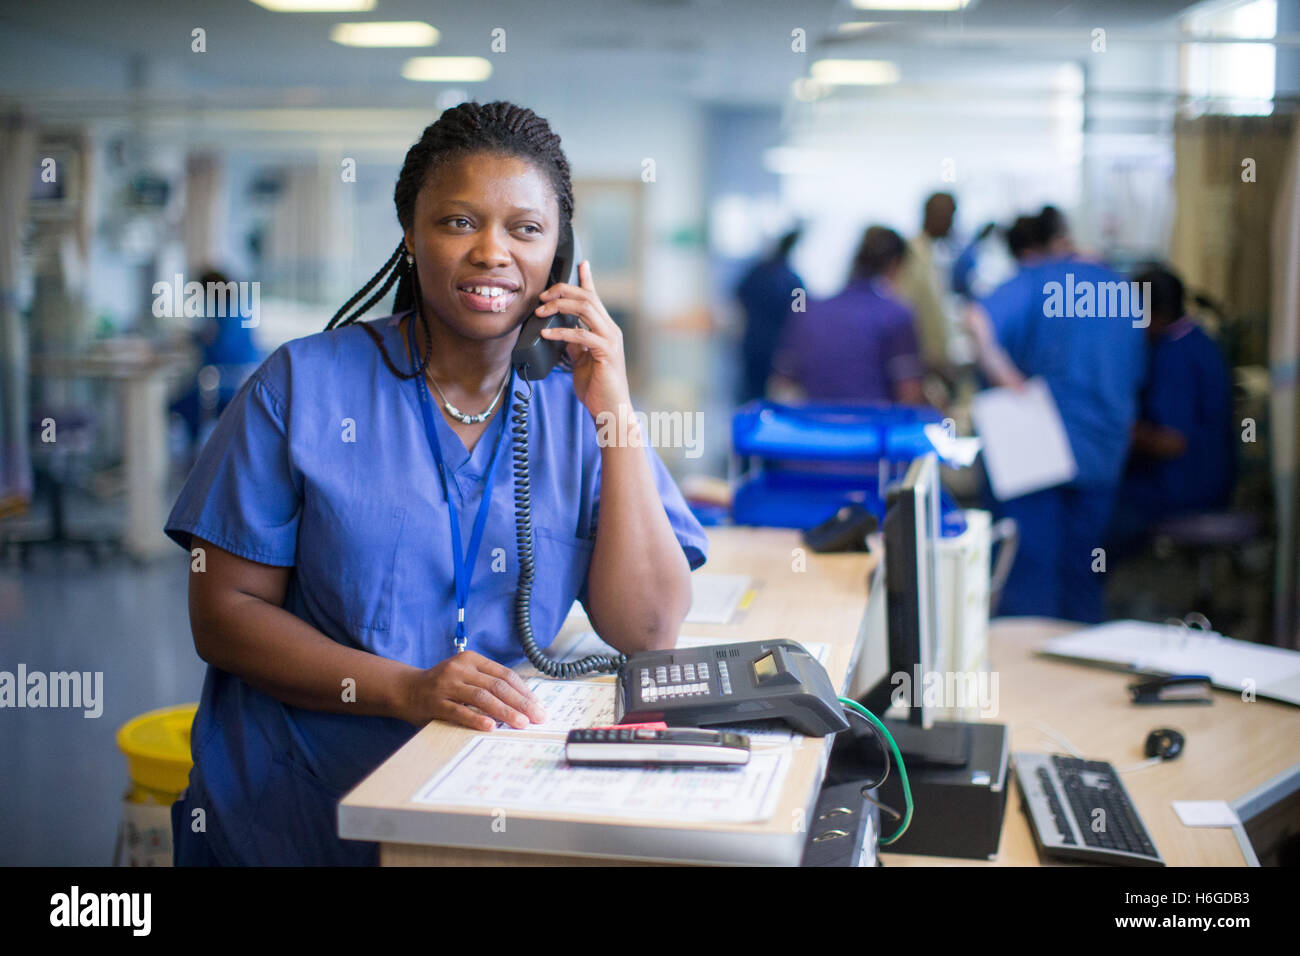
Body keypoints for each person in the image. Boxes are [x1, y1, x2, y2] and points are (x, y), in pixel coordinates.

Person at [163, 101, 709, 866]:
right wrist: (404, 689)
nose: (493, 251)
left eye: (525, 229)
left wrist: (613, 407)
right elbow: (223, 614)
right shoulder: (303, 388)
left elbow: (646, 630)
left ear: (558, 256)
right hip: (295, 814)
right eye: (458, 221)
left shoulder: (576, 409)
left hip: (482, 805)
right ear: (411, 237)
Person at [965, 211, 1147, 623]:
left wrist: (1011, 383)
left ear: (1025, 252)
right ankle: (1081, 671)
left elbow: (975, 320)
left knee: (1030, 574)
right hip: (1103, 449)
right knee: (1084, 572)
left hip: (1037, 448)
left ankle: (1027, 681)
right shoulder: (1115, 285)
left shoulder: (1034, 277)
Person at [1108, 264, 1236, 555]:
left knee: (1092, 517)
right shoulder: (1197, 341)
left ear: (1157, 314)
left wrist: (1112, 429)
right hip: (1204, 479)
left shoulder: (1174, 358)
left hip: (1183, 487)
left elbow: (1171, 442)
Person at [772, 225, 924, 405]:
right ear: (894, 265)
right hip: (873, 429)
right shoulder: (896, 315)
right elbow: (909, 394)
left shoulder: (809, 312)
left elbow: (781, 385)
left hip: (816, 428)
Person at [735, 228, 804, 404]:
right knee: (770, 395)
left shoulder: (757, 272)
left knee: (750, 393)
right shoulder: (794, 281)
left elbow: (739, 296)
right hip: (776, 345)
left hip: (753, 341)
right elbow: (801, 314)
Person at [895, 192, 958, 371]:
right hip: (922, 360)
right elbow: (906, 306)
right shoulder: (912, 255)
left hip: (935, 359)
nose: (952, 224)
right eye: (949, 216)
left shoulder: (931, 254)